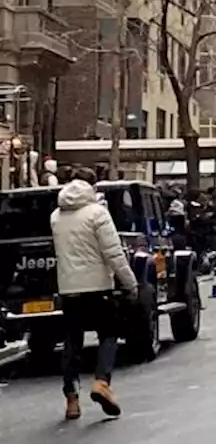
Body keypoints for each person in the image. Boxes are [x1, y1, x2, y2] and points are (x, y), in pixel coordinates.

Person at [50, 167, 140, 421]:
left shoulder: (56, 216)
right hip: (99, 287)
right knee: (109, 335)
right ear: (92, 187)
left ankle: (71, 398)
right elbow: (113, 253)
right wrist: (130, 283)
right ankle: (102, 382)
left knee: (72, 342)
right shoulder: (98, 214)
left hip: (69, 289)